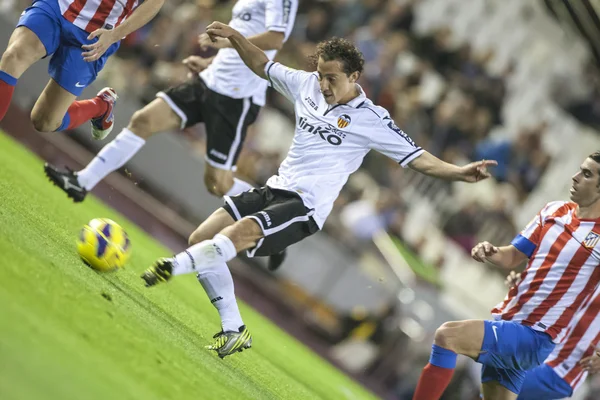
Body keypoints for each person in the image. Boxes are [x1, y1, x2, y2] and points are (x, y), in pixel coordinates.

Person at [137, 21, 497, 359]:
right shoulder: (306, 84)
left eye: (332, 78)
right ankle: (234, 328)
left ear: (354, 77)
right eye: (322, 75)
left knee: (236, 234)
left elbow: (418, 159)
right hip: (275, 187)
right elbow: (262, 63)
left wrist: (459, 173)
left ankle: (172, 266)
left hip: (304, 206)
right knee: (201, 236)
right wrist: (234, 36)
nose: (324, 85)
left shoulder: (372, 119)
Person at [44, 0, 299, 271]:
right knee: (144, 120)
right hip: (209, 81)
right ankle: (82, 181)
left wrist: (228, 40)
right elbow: (246, 36)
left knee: (217, 183)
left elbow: (275, 38)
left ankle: (272, 216)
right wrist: (212, 60)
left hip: (237, 99)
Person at [413, 152, 600, 400]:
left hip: (535, 336)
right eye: (579, 170)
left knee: (447, 336)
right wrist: (491, 251)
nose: (575, 178)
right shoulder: (554, 210)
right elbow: (512, 256)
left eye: (587, 174)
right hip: (512, 321)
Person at [0, 0, 165, 138]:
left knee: (45, 120)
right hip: (58, 6)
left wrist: (115, 35)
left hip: (97, 32)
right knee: (13, 57)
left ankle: (100, 106)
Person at [505, 272, 600, 399]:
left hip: (560, 370)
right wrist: (526, 285)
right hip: (537, 348)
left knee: (498, 390)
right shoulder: (589, 262)